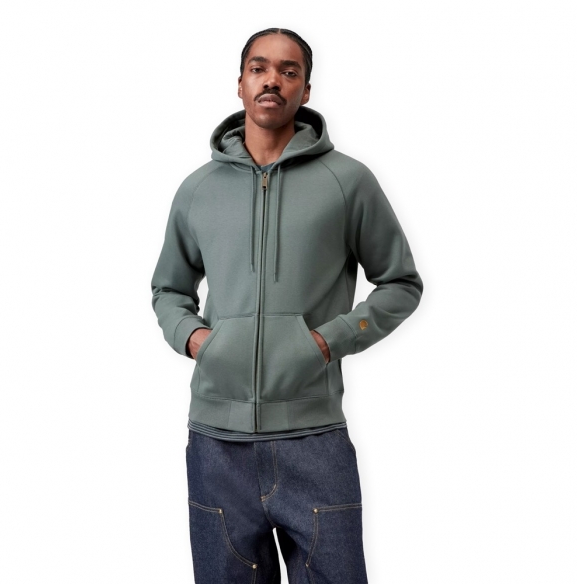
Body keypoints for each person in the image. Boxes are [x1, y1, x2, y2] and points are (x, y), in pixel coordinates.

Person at [151, 27, 424, 584]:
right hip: (216, 444)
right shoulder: (198, 189)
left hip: (314, 439)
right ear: (240, 84)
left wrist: (326, 341)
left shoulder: (347, 181)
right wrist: (197, 340)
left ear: (306, 89)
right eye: (259, 68)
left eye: (288, 70)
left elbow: (400, 283)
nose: (272, 79)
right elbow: (168, 290)